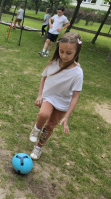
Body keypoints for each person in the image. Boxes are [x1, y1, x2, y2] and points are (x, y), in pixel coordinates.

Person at [29, 32, 83, 160]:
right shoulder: (52, 63)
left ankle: (38, 147)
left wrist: (67, 117)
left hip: (63, 103)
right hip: (49, 97)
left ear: (77, 51)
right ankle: (36, 128)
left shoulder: (78, 73)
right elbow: (43, 79)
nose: (64, 55)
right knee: (43, 115)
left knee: (49, 127)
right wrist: (40, 95)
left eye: (69, 53)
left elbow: (75, 96)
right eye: (61, 51)